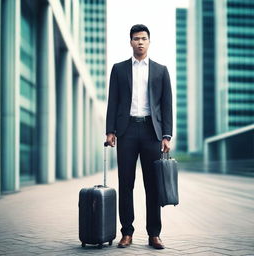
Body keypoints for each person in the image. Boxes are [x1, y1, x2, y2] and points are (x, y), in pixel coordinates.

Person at [106, 24, 173, 250]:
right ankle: (126, 232)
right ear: (130, 42)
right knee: (126, 183)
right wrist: (110, 130)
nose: (140, 42)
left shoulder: (161, 71)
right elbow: (112, 101)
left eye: (144, 38)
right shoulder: (118, 69)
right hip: (126, 131)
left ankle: (154, 234)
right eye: (136, 38)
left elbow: (166, 106)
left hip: (151, 132)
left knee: (152, 185)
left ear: (149, 41)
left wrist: (166, 135)